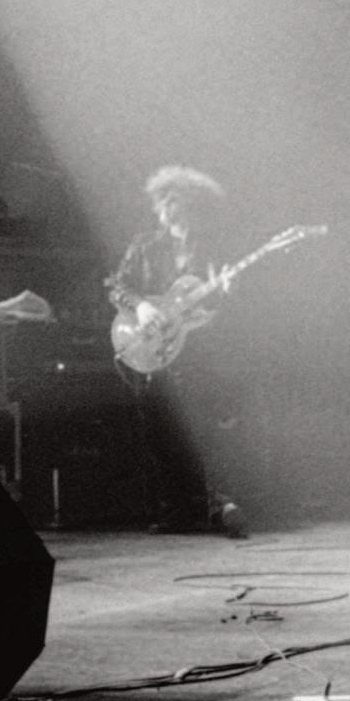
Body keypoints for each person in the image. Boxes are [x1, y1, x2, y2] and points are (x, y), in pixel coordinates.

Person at [104, 164, 248, 537]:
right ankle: (177, 510)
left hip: (201, 350)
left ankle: (218, 505)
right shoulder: (146, 245)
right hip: (159, 349)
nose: (169, 206)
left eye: (177, 199)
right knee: (160, 430)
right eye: (164, 199)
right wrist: (141, 306)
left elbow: (227, 305)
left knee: (204, 429)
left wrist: (229, 292)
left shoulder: (214, 249)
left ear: (195, 205)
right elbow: (116, 287)